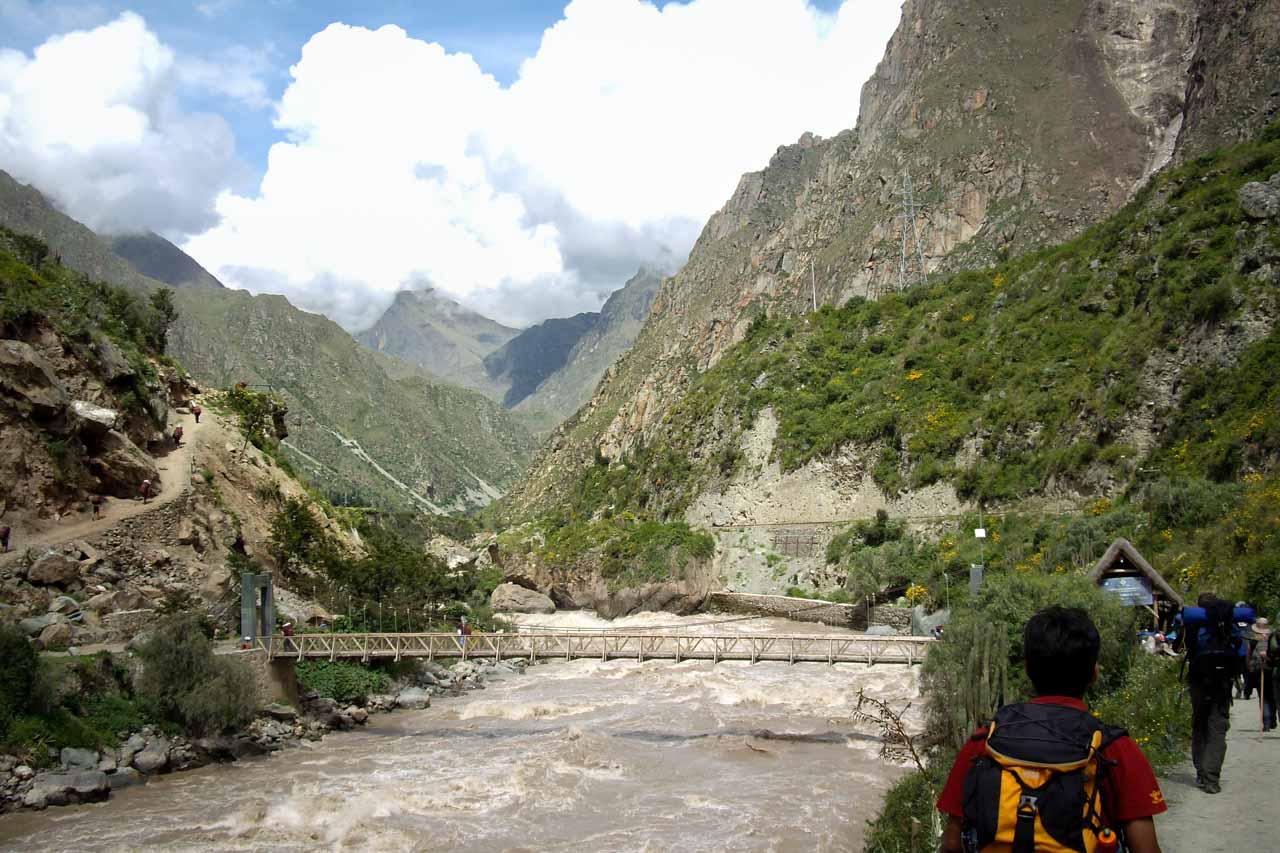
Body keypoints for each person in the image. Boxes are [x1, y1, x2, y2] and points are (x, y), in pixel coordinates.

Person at [937, 606, 1165, 853]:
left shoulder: (984, 742)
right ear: (1094, 674)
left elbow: (951, 842)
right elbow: (1146, 848)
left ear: (1026, 668)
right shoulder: (1114, 748)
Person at [1184, 595, 1248, 794]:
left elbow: (1186, 647)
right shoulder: (1228, 624)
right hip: (1222, 684)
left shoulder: (1194, 624)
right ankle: (1212, 778)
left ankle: (1201, 772)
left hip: (1198, 681)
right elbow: (1240, 651)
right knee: (1218, 728)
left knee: (1199, 725)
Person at [1253, 617, 1276, 731]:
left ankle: (1267, 722)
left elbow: (1249, 653)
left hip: (1262, 669)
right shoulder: (1273, 636)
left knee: (1264, 697)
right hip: (1269, 668)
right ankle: (1271, 720)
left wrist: (1249, 665)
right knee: (1271, 696)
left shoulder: (1253, 637)